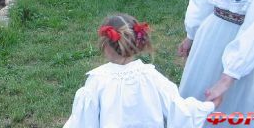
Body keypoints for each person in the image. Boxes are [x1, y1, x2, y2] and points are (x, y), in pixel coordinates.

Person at [64, 14, 215, 128]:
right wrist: (208, 106)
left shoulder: (97, 81)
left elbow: (82, 122)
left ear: (105, 46)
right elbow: (180, 111)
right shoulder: (153, 77)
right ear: (139, 43)